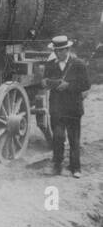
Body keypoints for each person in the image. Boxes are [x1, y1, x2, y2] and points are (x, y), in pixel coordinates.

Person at [44, 34, 90, 176]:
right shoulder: (50, 65)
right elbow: (45, 81)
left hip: (73, 108)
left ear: (67, 49)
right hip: (56, 108)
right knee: (58, 137)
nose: (58, 53)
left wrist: (68, 85)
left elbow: (86, 85)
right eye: (56, 51)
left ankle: (75, 168)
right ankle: (57, 165)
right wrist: (53, 83)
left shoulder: (78, 64)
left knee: (73, 139)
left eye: (61, 50)